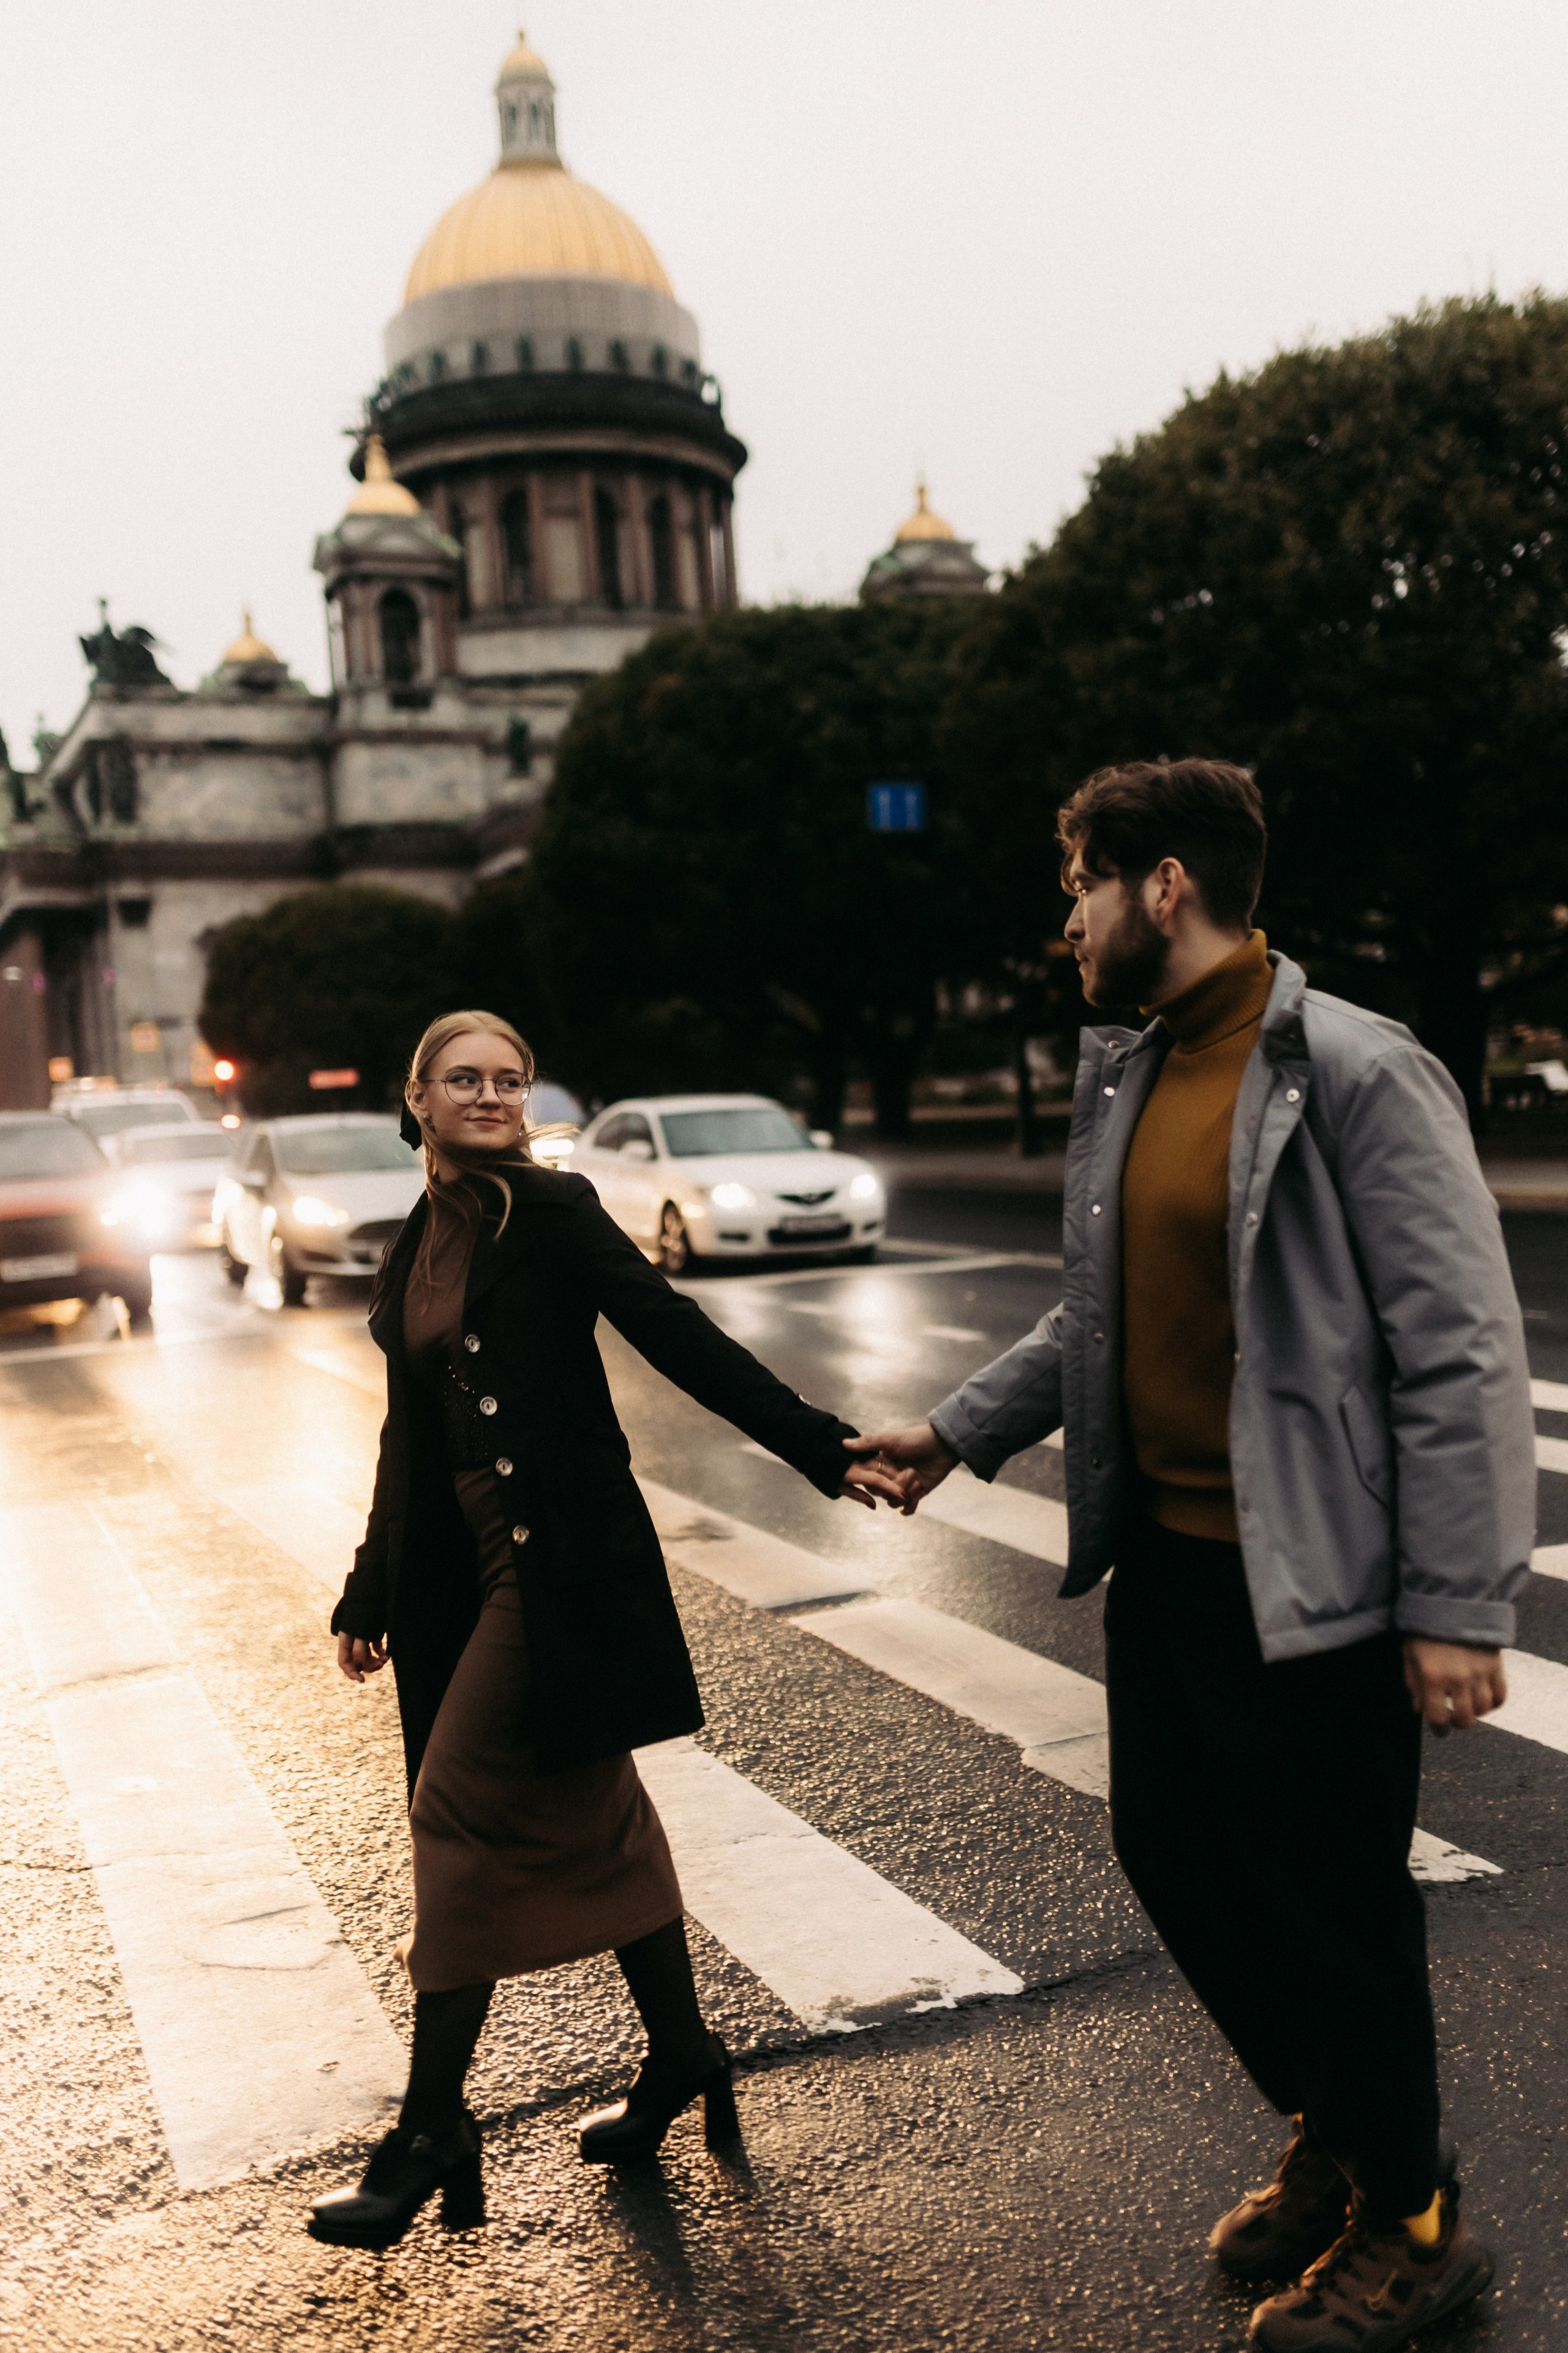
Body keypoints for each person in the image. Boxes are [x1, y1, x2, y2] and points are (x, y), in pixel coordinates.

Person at [848, 759, 1536, 2352]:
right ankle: (1354, 2128)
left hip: (1314, 1577)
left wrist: (1451, 1599)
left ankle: (1415, 2223)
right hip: (1166, 1563)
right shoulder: (1140, 1069)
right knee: (1178, 1852)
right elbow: (1097, 1308)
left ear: (1167, 887)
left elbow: (1462, 1352)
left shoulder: (1356, 1070)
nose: (1065, 924)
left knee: (1332, 1901)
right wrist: (956, 1431)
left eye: (1080, 885)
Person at [309, 1011, 897, 2249]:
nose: (489, 1095)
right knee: (590, 1804)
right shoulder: (411, 1244)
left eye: (509, 1080)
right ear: (413, 1097)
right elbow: (405, 1440)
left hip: (556, 1566)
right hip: (455, 1579)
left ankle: (430, 2127)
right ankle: (682, 2050)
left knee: (452, 1802)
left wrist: (819, 1446)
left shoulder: (555, 1214)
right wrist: (371, 1586)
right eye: (463, 1078)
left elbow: (679, 1338)